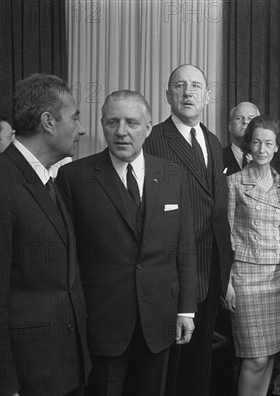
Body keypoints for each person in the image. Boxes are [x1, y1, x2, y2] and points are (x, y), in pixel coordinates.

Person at [57, 90, 197, 395]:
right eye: (112, 122)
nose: (121, 131)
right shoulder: (73, 177)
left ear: (148, 127)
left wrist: (186, 310)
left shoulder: (174, 175)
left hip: (159, 320)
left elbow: (185, 247)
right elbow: (66, 256)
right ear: (102, 125)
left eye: (132, 123)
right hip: (101, 323)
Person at [0, 73, 89, 396]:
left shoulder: (47, 181)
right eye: (75, 117)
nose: (82, 129)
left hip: (62, 369)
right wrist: (2, 385)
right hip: (25, 377)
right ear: (48, 121)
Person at [143, 64, 233, 396]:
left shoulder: (212, 141)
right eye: (179, 86)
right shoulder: (152, 140)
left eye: (196, 86)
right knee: (171, 365)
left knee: (200, 365)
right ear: (168, 95)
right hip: (173, 272)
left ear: (207, 95)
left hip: (210, 270)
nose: (188, 92)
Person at [222, 115, 280, 396]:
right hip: (245, 280)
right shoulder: (234, 183)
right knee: (256, 358)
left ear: (278, 147)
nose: (262, 149)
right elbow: (225, 235)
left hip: (278, 279)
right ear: (248, 146)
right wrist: (226, 282)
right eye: (256, 142)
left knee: (271, 357)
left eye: (268, 143)